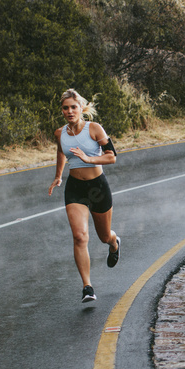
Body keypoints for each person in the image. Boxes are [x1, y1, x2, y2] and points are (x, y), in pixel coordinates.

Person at [48, 89, 121, 303]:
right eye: (65, 108)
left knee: (103, 236)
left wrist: (88, 159)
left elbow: (112, 157)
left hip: (97, 187)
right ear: (61, 110)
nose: (69, 111)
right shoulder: (60, 133)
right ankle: (87, 287)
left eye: (73, 107)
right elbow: (62, 151)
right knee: (80, 236)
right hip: (75, 188)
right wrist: (58, 176)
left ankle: (115, 243)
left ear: (81, 108)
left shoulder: (94, 129)